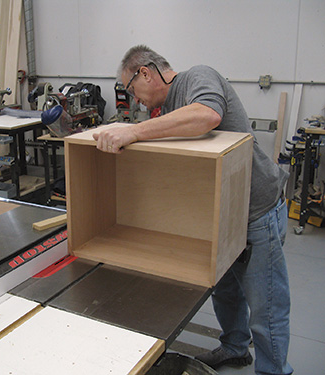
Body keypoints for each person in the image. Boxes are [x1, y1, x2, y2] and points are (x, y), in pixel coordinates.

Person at [93, 45, 293, 375]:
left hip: (255, 209)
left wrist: (133, 131)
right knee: (226, 290)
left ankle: (274, 371)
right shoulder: (167, 110)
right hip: (222, 211)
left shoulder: (198, 76)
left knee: (267, 306)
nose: (134, 99)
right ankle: (235, 346)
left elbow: (207, 116)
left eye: (130, 89)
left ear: (146, 72)